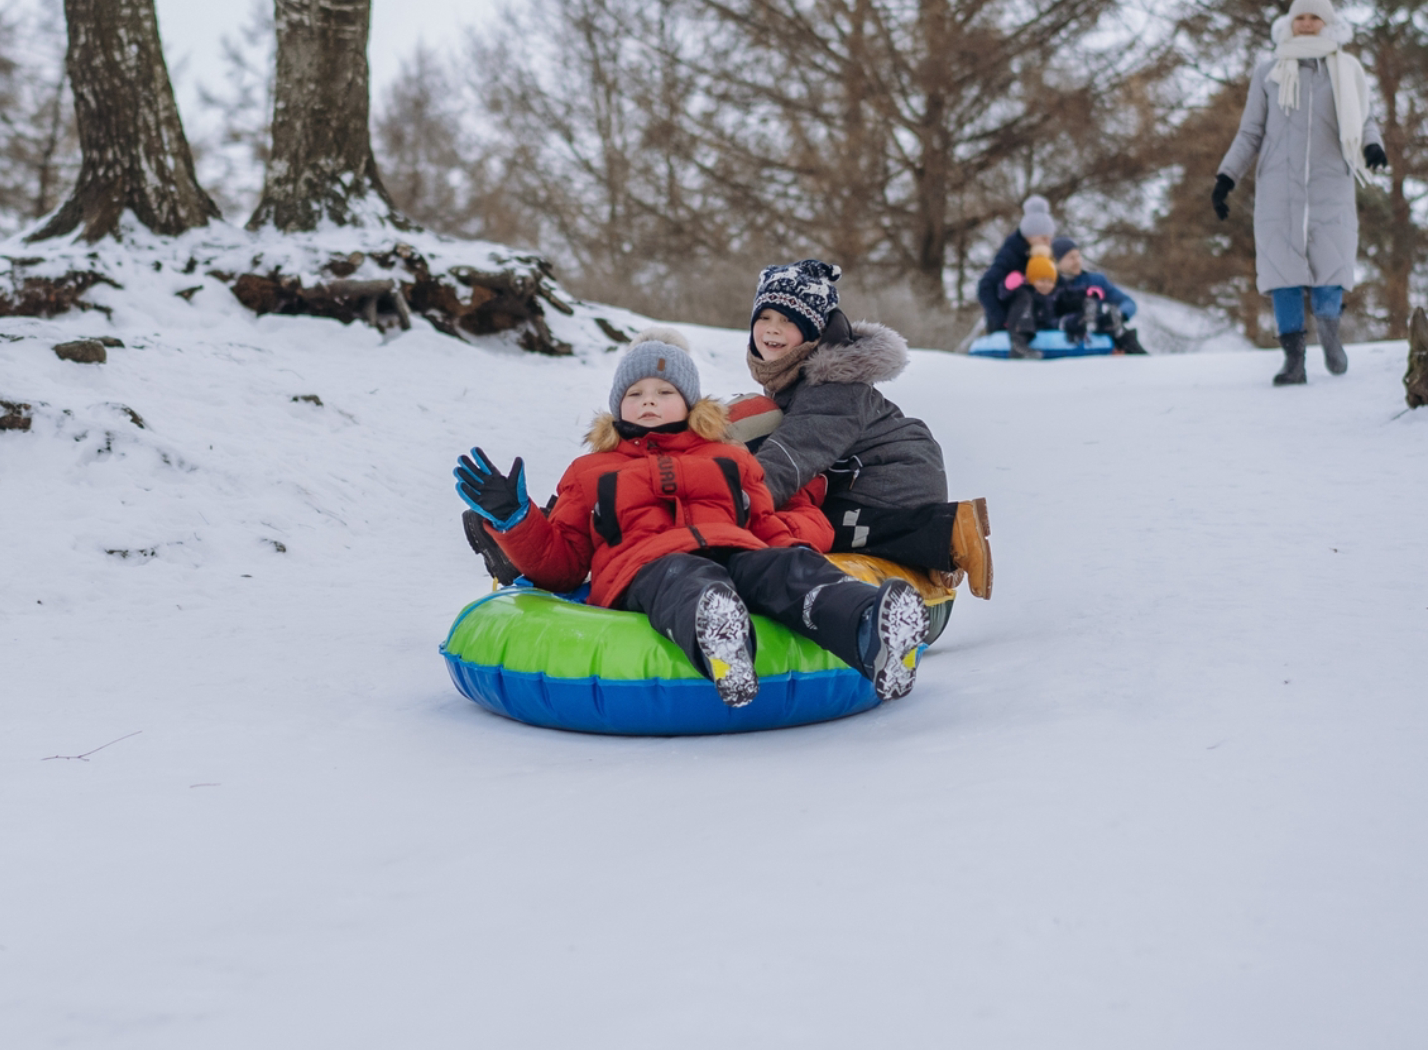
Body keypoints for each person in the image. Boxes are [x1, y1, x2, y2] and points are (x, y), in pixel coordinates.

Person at [453, 328, 931, 709]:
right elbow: (564, 564)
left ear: (690, 403)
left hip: (736, 551)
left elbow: (765, 523)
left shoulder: (730, 458)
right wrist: (515, 518)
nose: (649, 401)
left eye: (665, 391)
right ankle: (722, 646)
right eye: (635, 392)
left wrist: (796, 551)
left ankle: (871, 632)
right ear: (617, 405)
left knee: (785, 567)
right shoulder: (591, 471)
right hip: (647, 567)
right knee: (686, 576)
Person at [740, 260, 993, 599]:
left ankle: (945, 533)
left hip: (893, 477)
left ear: (813, 331)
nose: (772, 329)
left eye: (788, 321)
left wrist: (738, 500)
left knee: (818, 524)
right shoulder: (792, 376)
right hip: (862, 476)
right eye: (765, 318)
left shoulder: (832, 386)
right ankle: (925, 551)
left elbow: (791, 455)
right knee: (802, 512)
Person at [1214, 0, 1388, 385]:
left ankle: (1329, 332)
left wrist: (1373, 146)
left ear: (1327, 23)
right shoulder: (1269, 72)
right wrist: (1226, 177)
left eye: (1314, 18)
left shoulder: (1346, 69)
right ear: (1290, 23)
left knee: (1332, 263)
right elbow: (1250, 132)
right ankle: (1293, 360)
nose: (1307, 24)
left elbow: (1364, 118)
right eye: (1300, 17)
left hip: (1331, 183)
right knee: (1282, 271)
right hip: (1279, 188)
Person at [974, 196, 1057, 332]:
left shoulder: (1043, 256)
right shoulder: (1010, 255)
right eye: (1044, 238)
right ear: (1030, 235)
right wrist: (1002, 320)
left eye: (1050, 238)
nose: (1048, 243)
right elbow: (985, 287)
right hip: (1006, 326)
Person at [1051, 237, 1147, 354]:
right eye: (1071, 258)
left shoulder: (1095, 281)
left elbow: (1127, 302)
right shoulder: (1048, 285)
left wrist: (1119, 315)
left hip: (1100, 335)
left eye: (1078, 256)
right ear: (1057, 261)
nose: (1077, 261)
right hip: (1066, 340)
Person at [999, 251, 1063, 358]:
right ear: (1032, 280)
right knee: (1024, 300)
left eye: (1050, 281)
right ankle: (1018, 344)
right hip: (1020, 325)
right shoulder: (1024, 293)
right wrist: (1008, 287)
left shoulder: (1052, 296)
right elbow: (1004, 297)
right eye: (1042, 281)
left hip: (1042, 325)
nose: (1046, 285)